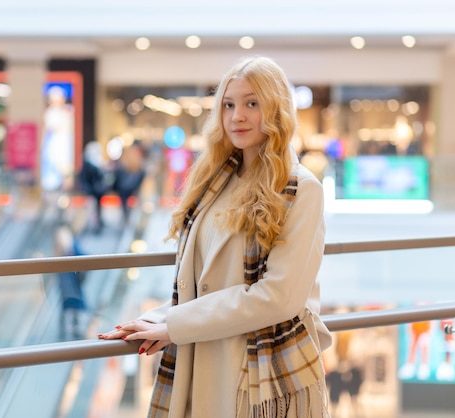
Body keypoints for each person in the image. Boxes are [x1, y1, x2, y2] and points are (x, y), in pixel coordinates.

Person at [98, 56, 332, 417]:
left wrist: (173, 325)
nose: (237, 116)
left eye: (252, 103)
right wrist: (160, 319)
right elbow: (203, 283)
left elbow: (279, 297)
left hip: (260, 375)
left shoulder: (302, 190)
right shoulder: (214, 183)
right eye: (228, 104)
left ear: (277, 109)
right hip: (204, 355)